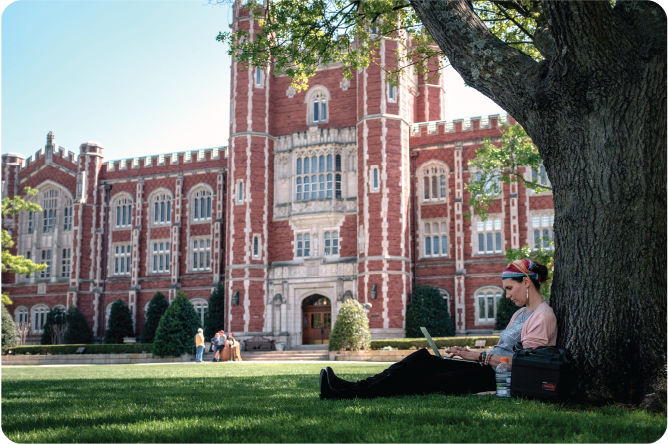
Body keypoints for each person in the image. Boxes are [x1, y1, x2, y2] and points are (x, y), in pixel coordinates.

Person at [319, 259, 557, 400]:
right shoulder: (520, 313)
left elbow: (526, 365)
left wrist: (479, 356)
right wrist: (470, 354)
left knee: (427, 381)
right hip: (485, 367)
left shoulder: (542, 316)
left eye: (509, 288)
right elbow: (504, 351)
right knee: (420, 359)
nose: (507, 295)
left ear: (526, 282)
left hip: (497, 378)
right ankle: (350, 386)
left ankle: (347, 393)